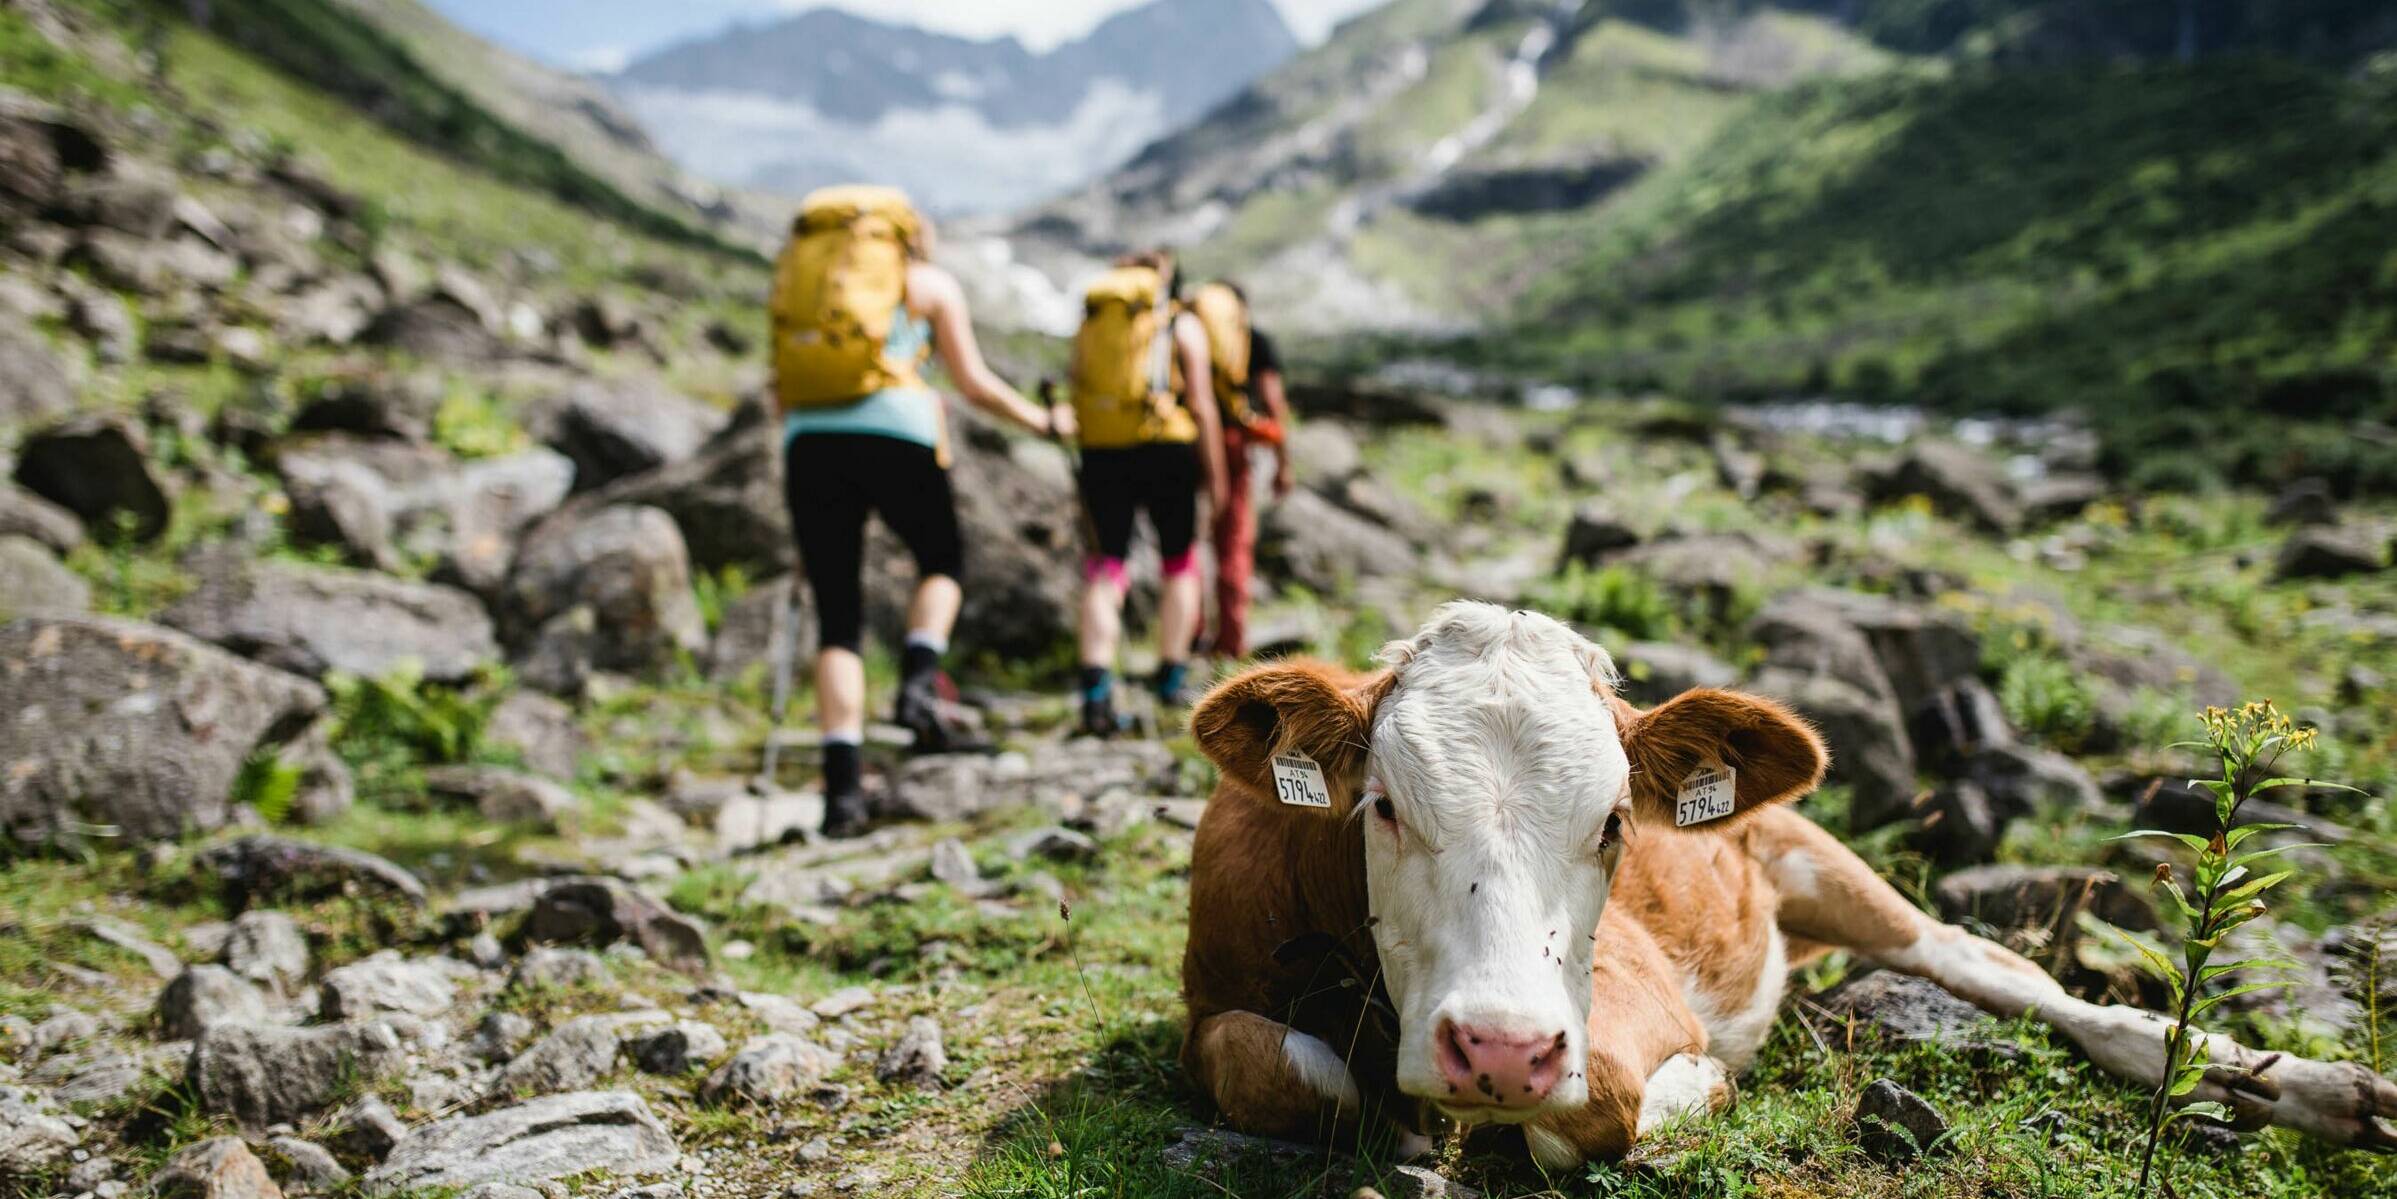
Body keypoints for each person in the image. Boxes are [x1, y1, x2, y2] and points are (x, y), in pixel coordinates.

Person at [772, 185, 1068, 836]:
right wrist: (1041, 420)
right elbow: (974, 384)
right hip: (898, 431)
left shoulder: (805, 283)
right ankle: (917, 678)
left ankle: (842, 795)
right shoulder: (925, 281)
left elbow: (781, 388)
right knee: (942, 559)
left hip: (809, 443)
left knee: (837, 619)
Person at [1061, 250, 1229, 737]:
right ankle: (1171, 679)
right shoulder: (1177, 322)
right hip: (1165, 449)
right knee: (1178, 561)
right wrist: (1216, 481)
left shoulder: (1093, 323)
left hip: (1102, 450)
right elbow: (1202, 405)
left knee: (1105, 567)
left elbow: (1077, 386)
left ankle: (1095, 691)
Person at [1186, 280, 1294, 661]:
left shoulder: (1186, 333)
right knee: (1231, 541)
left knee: (1185, 541)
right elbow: (1272, 401)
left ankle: (1191, 633)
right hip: (1232, 443)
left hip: (1187, 439)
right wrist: (1283, 462)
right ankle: (1230, 642)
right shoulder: (1253, 339)